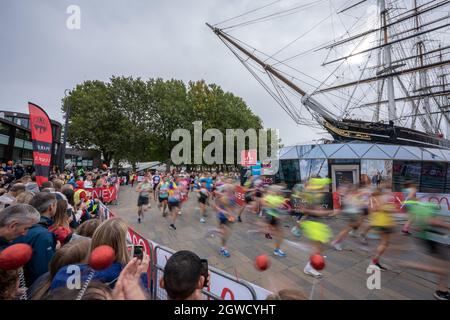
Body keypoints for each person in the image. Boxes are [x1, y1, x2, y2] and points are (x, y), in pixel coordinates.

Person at [12, 192, 58, 287]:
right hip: (32, 289)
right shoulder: (42, 234)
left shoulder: (21, 226)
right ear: (51, 207)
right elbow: (43, 272)